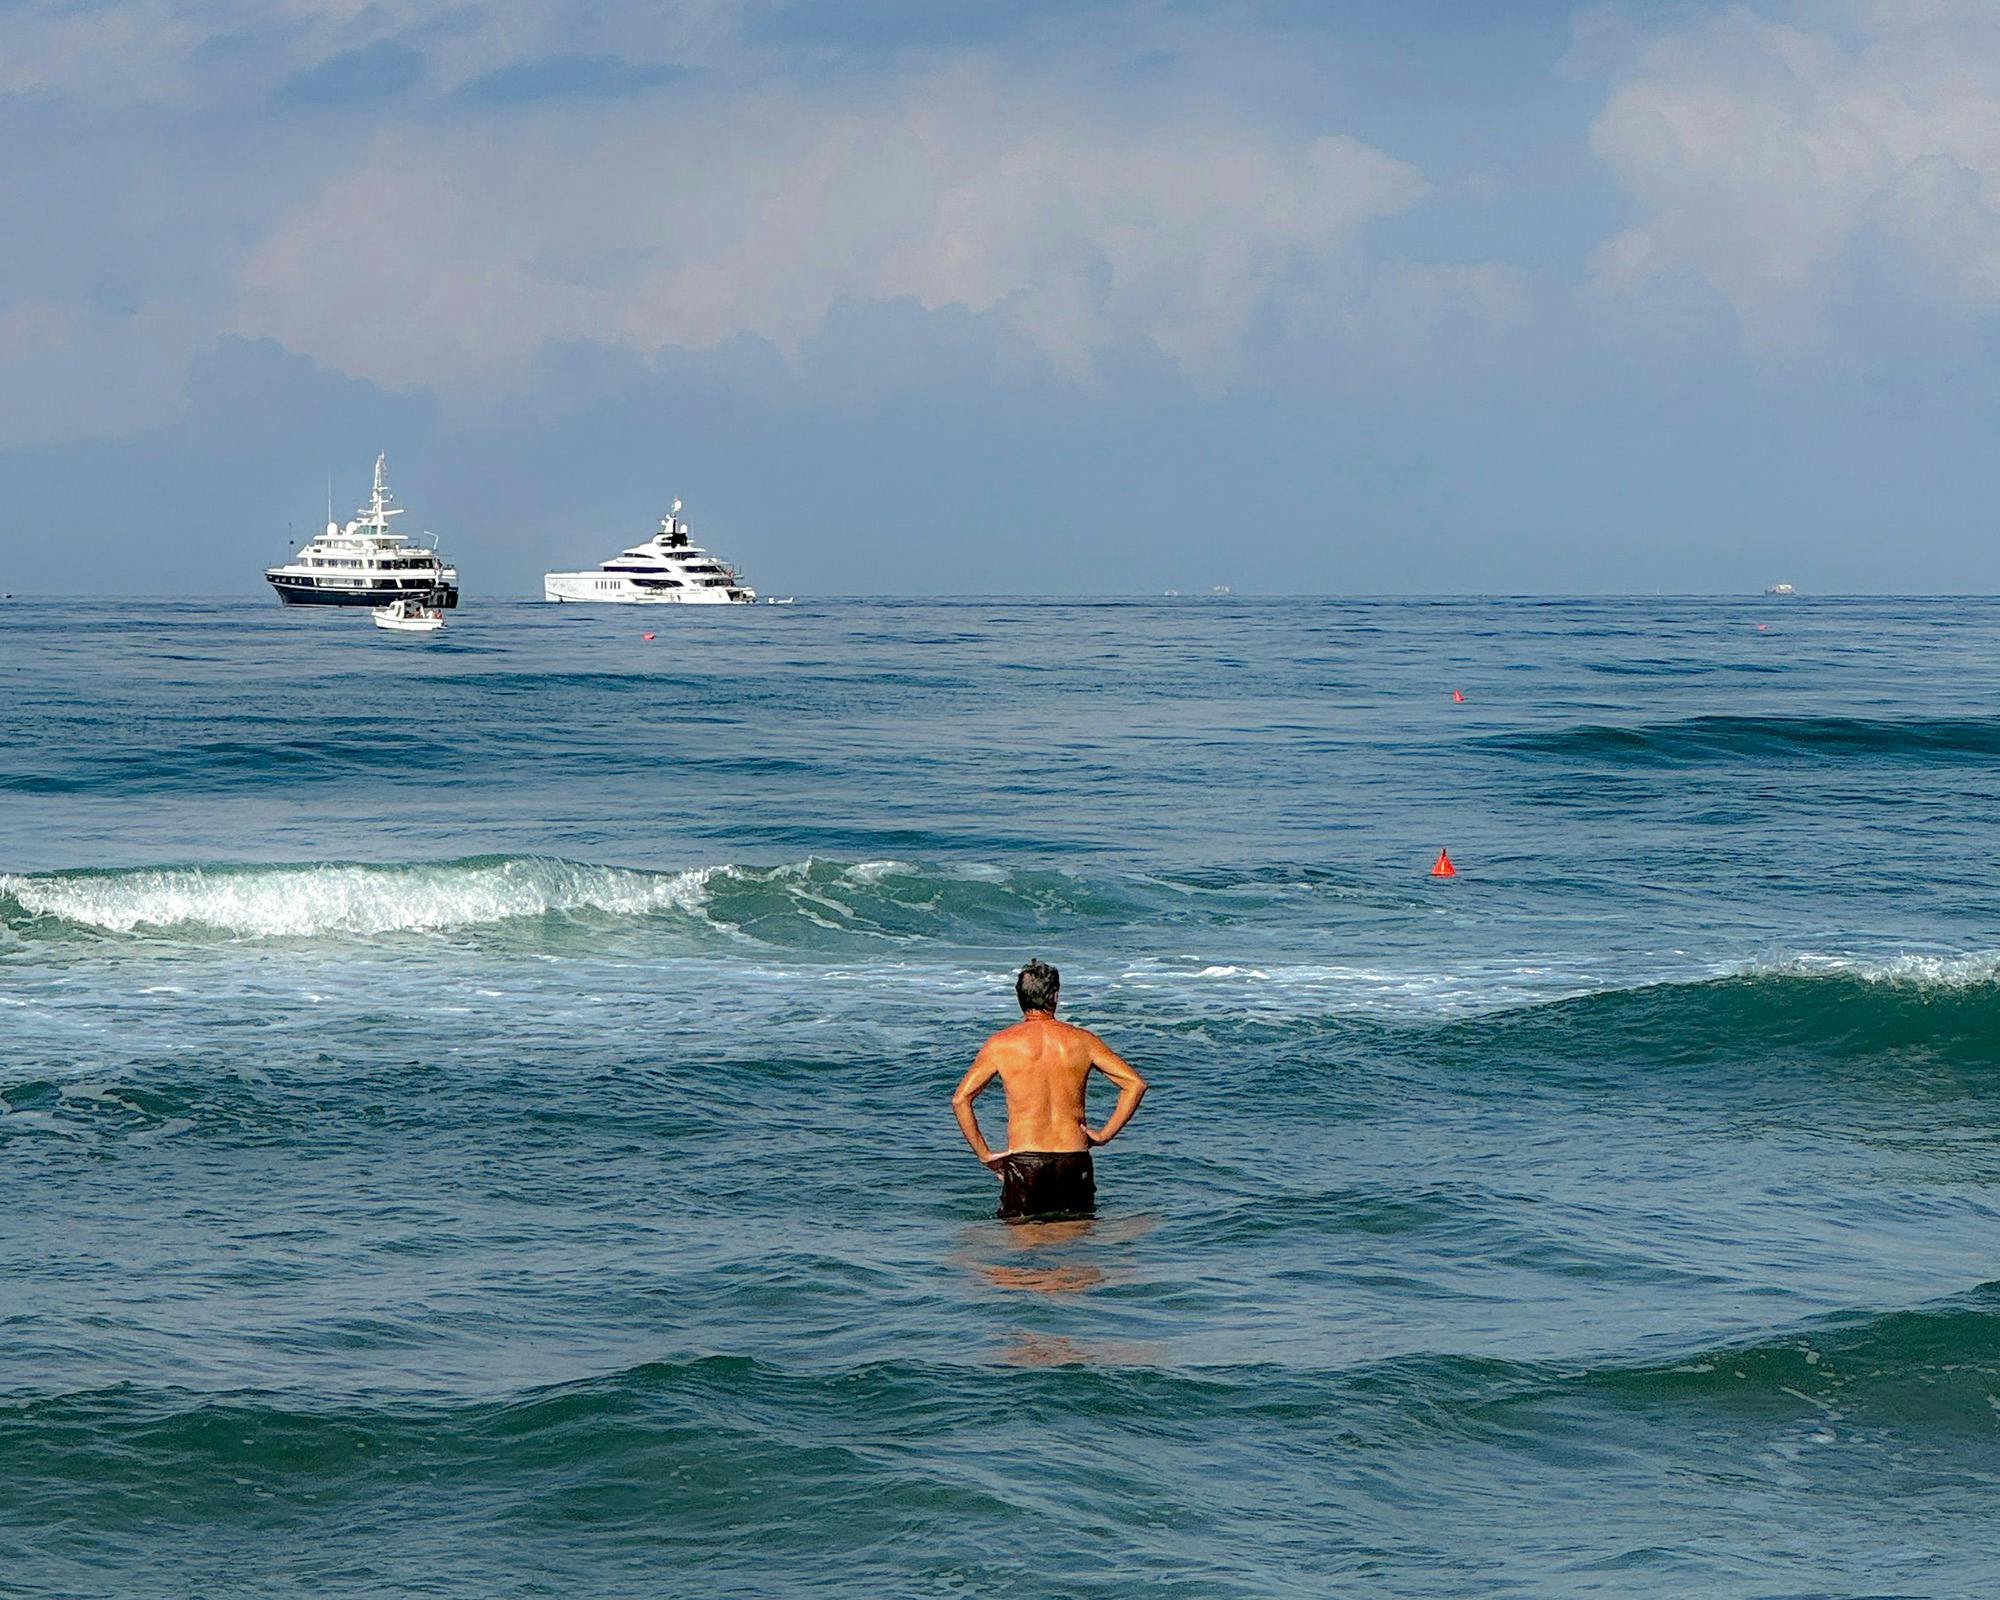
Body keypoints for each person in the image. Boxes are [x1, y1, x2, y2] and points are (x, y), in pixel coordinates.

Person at [952, 959, 1147, 1219]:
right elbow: (1134, 1084)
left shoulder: (1001, 1044)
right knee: (1075, 1251)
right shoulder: (1083, 1040)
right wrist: (1103, 1135)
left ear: (1019, 997)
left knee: (1019, 1252)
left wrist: (985, 1154)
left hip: (1026, 1160)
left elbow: (961, 1099)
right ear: (1055, 996)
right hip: (1073, 1157)